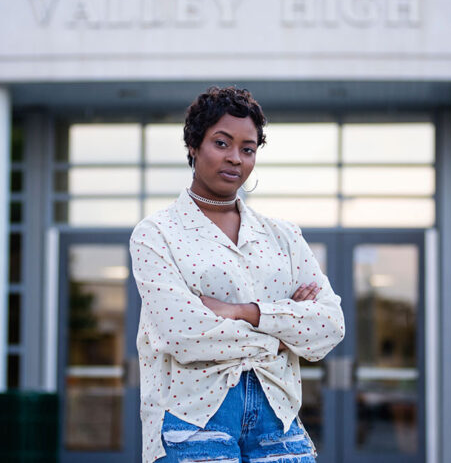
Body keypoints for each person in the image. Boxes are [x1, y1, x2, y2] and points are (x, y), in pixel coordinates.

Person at [130, 86, 345, 463]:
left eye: (247, 149)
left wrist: (245, 312)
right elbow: (184, 335)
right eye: (221, 143)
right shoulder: (157, 234)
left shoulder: (284, 236)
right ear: (194, 145)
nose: (235, 159)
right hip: (191, 419)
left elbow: (329, 325)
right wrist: (282, 338)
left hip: (280, 419)